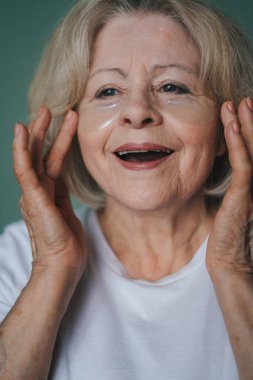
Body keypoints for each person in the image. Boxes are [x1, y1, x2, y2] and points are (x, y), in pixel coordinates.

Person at [0, 0, 253, 379]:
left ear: (225, 126)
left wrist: (234, 270)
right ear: (73, 129)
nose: (137, 111)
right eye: (107, 92)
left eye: (172, 86)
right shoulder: (18, 256)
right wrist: (52, 267)